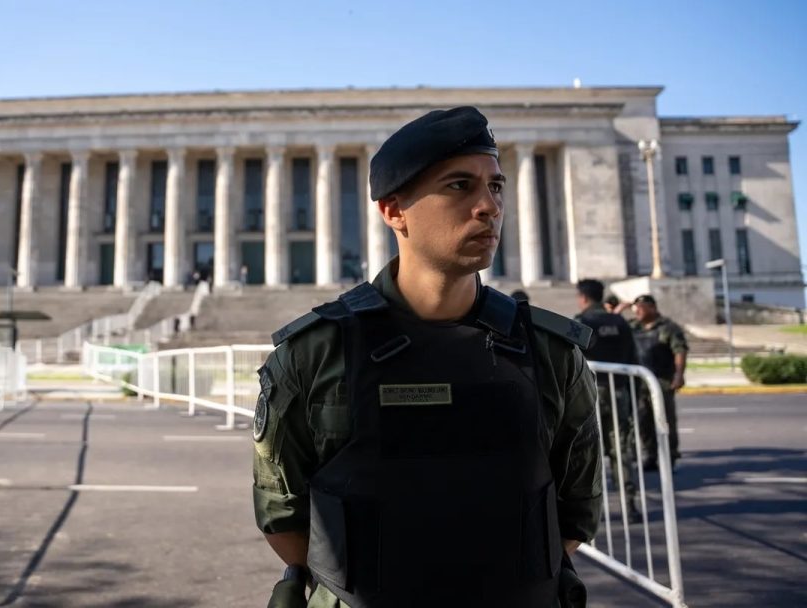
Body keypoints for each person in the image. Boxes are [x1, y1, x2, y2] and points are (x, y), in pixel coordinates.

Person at [253, 107, 602, 608]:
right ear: (394, 211)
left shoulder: (552, 353)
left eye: (496, 186)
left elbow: (576, 511)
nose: (489, 206)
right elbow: (282, 517)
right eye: (460, 186)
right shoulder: (314, 354)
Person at [574, 279, 642, 523]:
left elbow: (571, 359)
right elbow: (634, 357)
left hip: (589, 393)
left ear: (583, 297)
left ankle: (589, 511)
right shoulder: (620, 321)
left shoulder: (582, 322)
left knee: (587, 450)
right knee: (620, 448)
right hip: (618, 390)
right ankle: (629, 505)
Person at [630, 294, 689, 470]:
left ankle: (670, 456)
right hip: (640, 382)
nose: (637, 311)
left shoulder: (668, 328)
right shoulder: (633, 327)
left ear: (652, 308)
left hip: (662, 380)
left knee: (664, 420)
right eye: (636, 307)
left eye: (641, 307)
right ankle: (650, 454)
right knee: (642, 420)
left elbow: (680, 351)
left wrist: (679, 374)